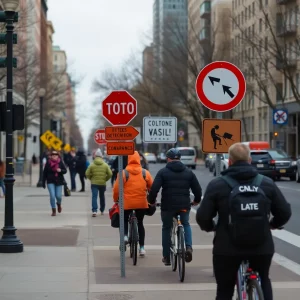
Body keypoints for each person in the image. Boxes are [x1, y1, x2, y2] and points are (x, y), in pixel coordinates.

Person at [196, 143, 291, 300]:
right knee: (264, 278)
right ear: (249, 160)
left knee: (225, 288)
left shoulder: (217, 185)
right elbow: (285, 212)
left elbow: (203, 216)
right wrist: (272, 224)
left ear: (230, 161)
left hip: (227, 248)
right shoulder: (266, 183)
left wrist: (211, 227)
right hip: (261, 246)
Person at [148, 148, 202, 265]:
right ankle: (188, 247)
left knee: (166, 228)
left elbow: (154, 189)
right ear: (179, 158)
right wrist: (196, 201)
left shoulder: (162, 172)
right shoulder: (188, 172)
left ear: (168, 159)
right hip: (184, 205)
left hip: (167, 206)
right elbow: (197, 190)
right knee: (186, 223)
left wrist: (151, 201)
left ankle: (166, 256)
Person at [113, 151, 153, 256]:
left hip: (126, 203)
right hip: (141, 203)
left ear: (129, 160)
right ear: (139, 159)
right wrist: (150, 198)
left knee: (124, 218)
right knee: (140, 223)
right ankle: (142, 248)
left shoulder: (123, 173)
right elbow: (152, 187)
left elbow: (116, 189)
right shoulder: (145, 173)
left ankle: (125, 236)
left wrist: (115, 199)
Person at [86, 148, 112, 217]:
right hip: (102, 183)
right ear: (101, 157)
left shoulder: (92, 165)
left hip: (94, 183)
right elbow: (110, 174)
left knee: (94, 197)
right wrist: (105, 179)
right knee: (102, 196)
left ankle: (94, 211)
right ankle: (102, 210)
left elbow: (87, 173)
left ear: (95, 156)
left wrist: (91, 178)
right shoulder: (105, 165)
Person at [42, 150, 67, 216]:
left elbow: (65, 171)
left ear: (57, 156)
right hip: (50, 181)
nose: (54, 156)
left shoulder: (60, 162)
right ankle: (53, 210)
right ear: (51, 156)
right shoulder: (48, 163)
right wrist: (43, 182)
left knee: (58, 196)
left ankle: (59, 204)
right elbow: (45, 173)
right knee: (52, 196)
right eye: (53, 155)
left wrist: (60, 170)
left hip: (59, 181)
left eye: (55, 155)